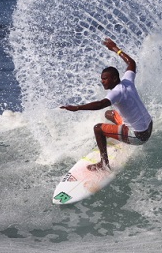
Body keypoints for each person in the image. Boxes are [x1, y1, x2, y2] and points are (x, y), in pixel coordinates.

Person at [60, 38, 153, 171]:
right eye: (102, 79)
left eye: (105, 79)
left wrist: (77, 107)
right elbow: (131, 63)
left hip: (140, 136)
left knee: (98, 128)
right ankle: (120, 133)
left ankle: (104, 163)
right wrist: (115, 48)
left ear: (114, 79)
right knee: (109, 114)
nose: (102, 81)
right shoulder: (128, 81)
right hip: (149, 126)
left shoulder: (116, 93)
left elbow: (100, 104)